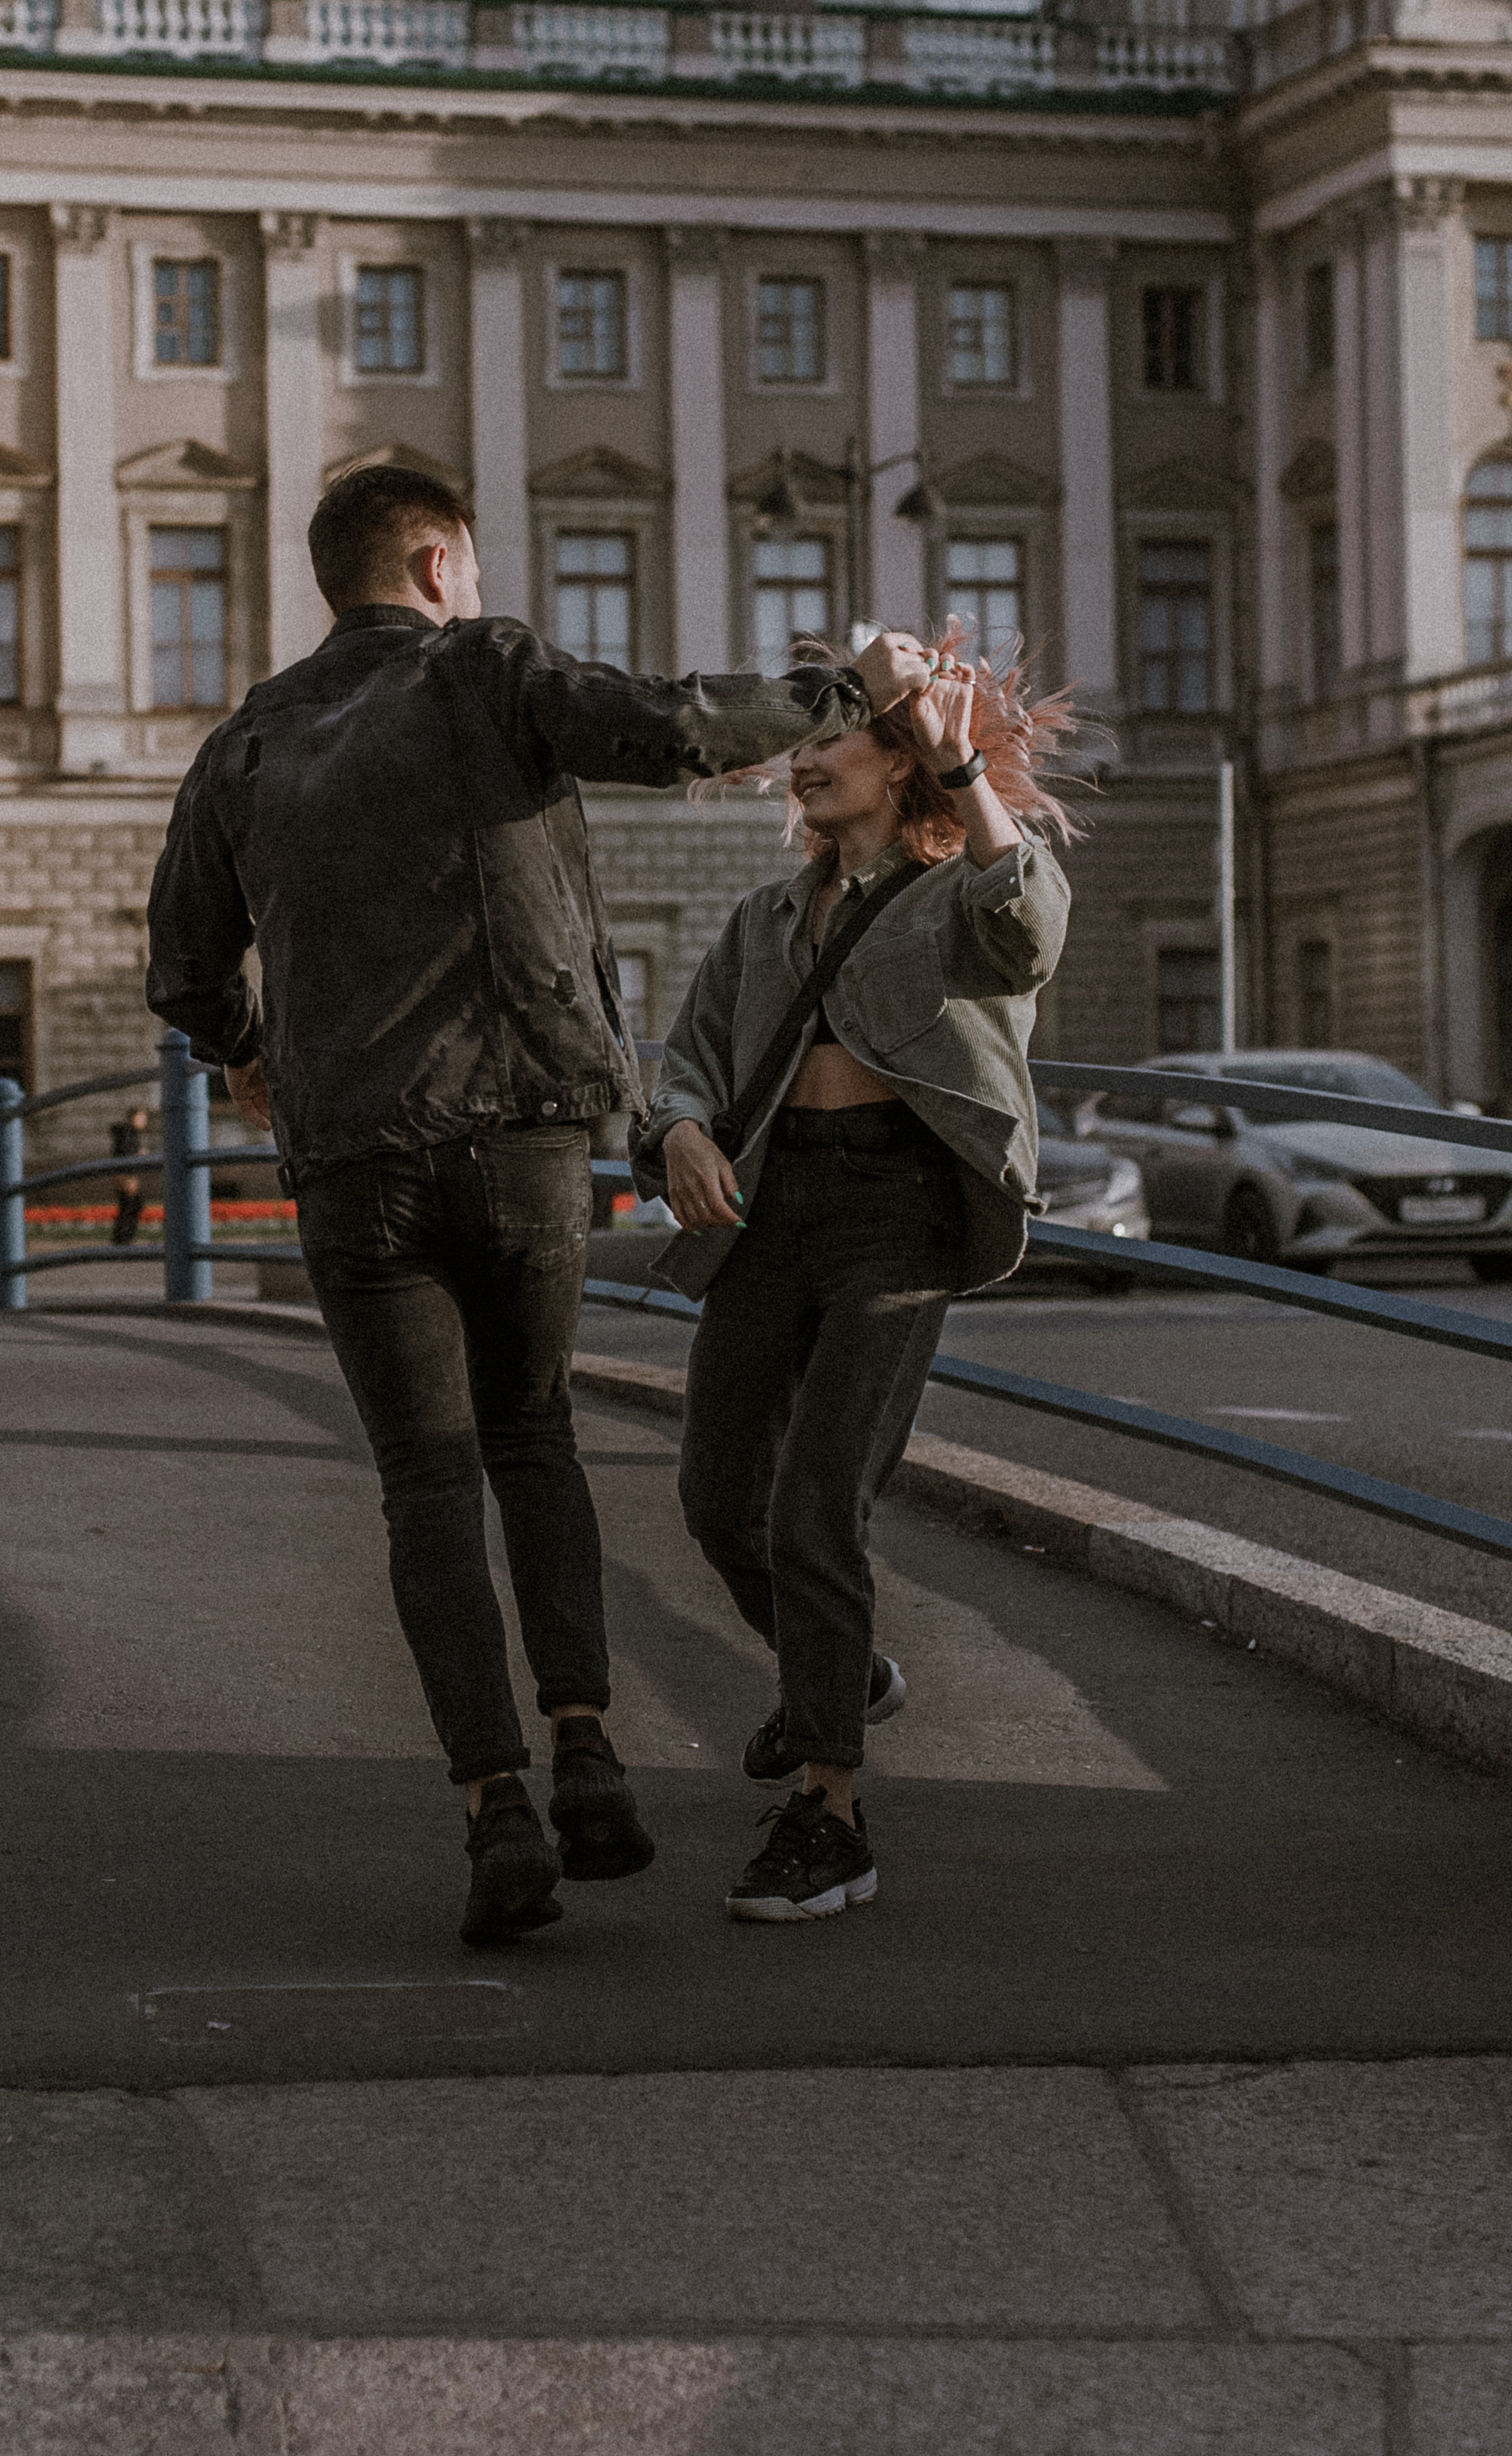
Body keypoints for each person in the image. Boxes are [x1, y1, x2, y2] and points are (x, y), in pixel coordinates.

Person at [145, 460, 936, 1947]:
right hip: (518, 1135)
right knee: (533, 1437)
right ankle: (587, 1743)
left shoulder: (244, 739)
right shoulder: (488, 668)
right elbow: (675, 729)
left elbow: (183, 968)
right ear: (442, 562)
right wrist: (834, 688)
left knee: (425, 1480)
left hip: (351, 1165)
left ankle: (492, 1808)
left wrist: (254, 1053)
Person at [632, 632, 1078, 1926]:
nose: (806, 759)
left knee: (817, 1505)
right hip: (771, 1214)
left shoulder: (958, 895)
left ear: (897, 764)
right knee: (720, 1501)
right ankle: (846, 1675)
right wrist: (677, 1130)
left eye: (835, 736)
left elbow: (1034, 929)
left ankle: (830, 1814)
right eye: (801, 742)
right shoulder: (766, 917)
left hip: (898, 1211)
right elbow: (690, 1060)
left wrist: (958, 754)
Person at [109, 1105, 150, 1248]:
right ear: (133, 1117)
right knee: (131, 1205)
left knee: (129, 1206)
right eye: (141, 1117)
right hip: (126, 1175)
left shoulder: (128, 1133)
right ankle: (123, 1239)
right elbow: (124, 1153)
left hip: (125, 1174)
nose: (144, 1121)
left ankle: (122, 1239)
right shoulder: (128, 1133)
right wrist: (138, 1154)